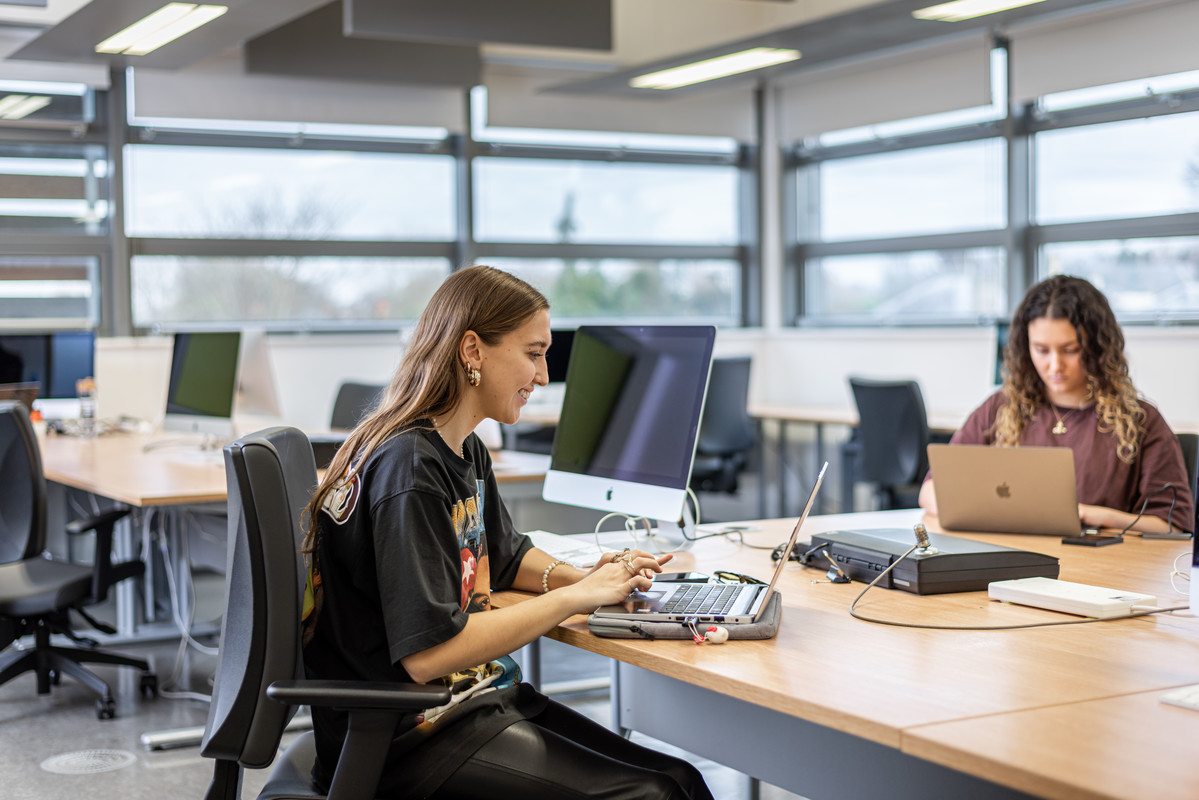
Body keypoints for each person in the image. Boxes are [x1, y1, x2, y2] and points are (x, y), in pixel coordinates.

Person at [301, 265, 713, 800]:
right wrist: (576, 599)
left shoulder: (461, 448)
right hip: (406, 741)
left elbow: (508, 555)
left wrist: (589, 578)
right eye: (533, 353)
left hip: (471, 703)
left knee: (682, 781)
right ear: (473, 350)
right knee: (659, 794)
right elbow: (429, 655)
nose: (543, 377)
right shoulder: (410, 469)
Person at [919, 274, 1193, 534]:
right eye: (1041, 350)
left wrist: (1098, 516)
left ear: (1097, 347)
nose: (1054, 365)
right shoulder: (1000, 408)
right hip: (1011, 557)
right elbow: (930, 491)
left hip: (1099, 563)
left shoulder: (1141, 420)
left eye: (1070, 350)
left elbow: (1173, 526)